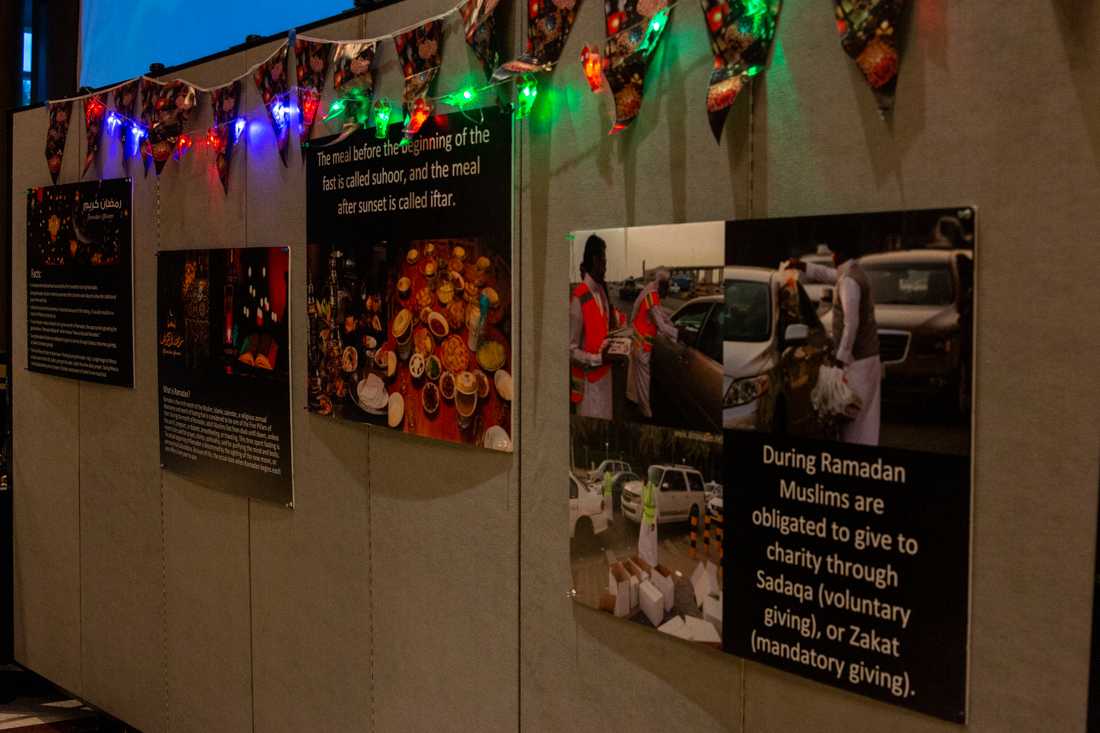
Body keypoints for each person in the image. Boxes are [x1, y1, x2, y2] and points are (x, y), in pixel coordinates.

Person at [787, 243, 882, 445]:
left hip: (858, 362)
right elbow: (829, 275)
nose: (832, 256)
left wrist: (841, 359)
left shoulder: (849, 281)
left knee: (851, 414)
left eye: (833, 252)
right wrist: (803, 266)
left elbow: (851, 323)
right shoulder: (854, 272)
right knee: (867, 418)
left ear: (839, 254)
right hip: (869, 357)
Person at [569, 235, 616, 419]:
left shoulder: (601, 291)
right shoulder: (579, 297)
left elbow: (604, 328)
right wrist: (597, 358)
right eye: (604, 260)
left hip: (605, 379)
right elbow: (571, 351)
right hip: (589, 388)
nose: (606, 266)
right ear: (595, 260)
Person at [626, 269, 678, 419]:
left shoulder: (651, 295)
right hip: (643, 344)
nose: (668, 290)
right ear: (660, 285)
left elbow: (661, 315)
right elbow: (661, 325)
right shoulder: (652, 298)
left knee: (637, 375)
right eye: (667, 287)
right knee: (644, 379)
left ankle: (633, 399)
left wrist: (672, 324)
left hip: (638, 340)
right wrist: (678, 333)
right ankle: (645, 412)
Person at [638, 475, 658, 567]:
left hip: (651, 519)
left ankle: (652, 562)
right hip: (645, 517)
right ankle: (643, 557)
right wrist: (641, 514)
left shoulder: (652, 488)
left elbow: (657, 505)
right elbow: (643, 502)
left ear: (645, 479)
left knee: (650, 541)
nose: (641, 482)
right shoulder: (644, 487)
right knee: (642, 538)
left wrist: (654, 521)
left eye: (642, 480)